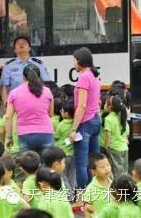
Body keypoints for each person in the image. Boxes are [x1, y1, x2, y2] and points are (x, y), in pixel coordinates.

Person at [70, 47, 101, 189]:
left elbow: (81, 106)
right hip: (95, 120)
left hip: (85, 123)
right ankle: (95, 192)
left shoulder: (83, 77)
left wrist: (73, 129)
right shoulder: (94, 75)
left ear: (80, 62)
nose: (74, 63)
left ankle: (82, 196)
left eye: (75, 60)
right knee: (94, 161)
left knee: (81, 163)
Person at [5, 64, 54, 154]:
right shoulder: (47, 91)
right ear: (39, 76)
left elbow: (8, 117)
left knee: (27, 166)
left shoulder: (14, 93)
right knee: (47, 166)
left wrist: (9, 137)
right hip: (46, 133)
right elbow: (50, 114)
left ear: (23, 77)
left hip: (25, 135)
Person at [1, 36, 51, 105]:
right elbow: (4, 87)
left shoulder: (39, 64)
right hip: (16, 102)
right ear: (14, 50)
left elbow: (46, 83)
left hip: (36, 100)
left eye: (24, 43)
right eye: (18, 43)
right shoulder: (8, 66)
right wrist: (5, 104)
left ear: (29, 48)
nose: (21, 44)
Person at [103, 95, 129, 176]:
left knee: (117, 170)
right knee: (124, 170)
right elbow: (126, 131)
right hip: (124, 147)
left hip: (114, 148)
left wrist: (106, 147)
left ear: (110, 107)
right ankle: (127, 186)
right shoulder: (122, 116)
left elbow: (108, 135)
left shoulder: (108, 119)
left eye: (105, 104)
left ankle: (119, 186)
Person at [55, 97, 76, 190]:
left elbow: (55, 138)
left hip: (63, 154)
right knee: (72, 175)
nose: (61, 112)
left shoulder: (61, 125)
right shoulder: (75, 124)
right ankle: (75, 193)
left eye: (62, 111)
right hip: (73, 154)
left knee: (63, 176)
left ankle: (69, 195)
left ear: (66, 114)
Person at [82, 153, 112, 217]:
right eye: (102, 167)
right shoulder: (90, 189)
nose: (107, 168)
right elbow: (87, 210)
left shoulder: (114, 184)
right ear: (93, 171)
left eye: (108, 165)